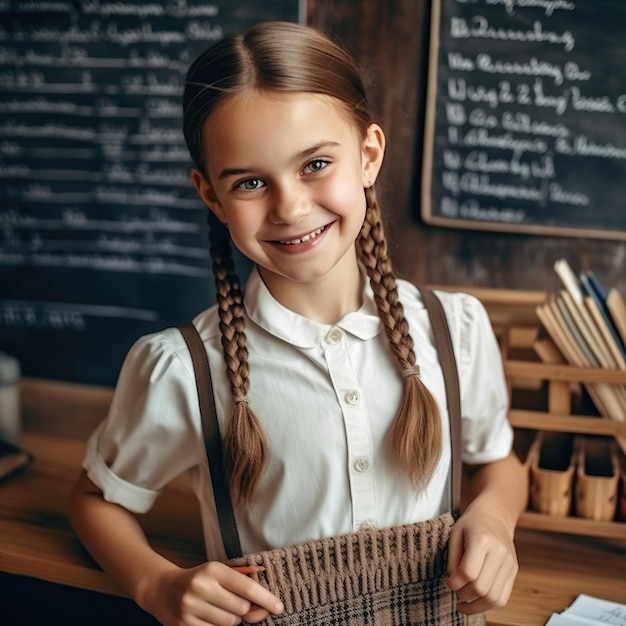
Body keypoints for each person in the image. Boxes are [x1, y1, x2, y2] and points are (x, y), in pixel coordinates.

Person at [68, 20, 528, 626]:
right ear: (212, 196)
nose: (290, 207)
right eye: (252, 182)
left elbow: (499, 462)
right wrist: (157, 584)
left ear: (368, 156)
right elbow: (96, 502)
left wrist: (493, 518)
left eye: (315, 164)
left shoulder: (455, 329)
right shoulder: (182, 369)